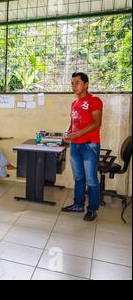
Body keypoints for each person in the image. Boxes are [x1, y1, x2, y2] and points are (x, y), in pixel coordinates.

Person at [62, 72, 103, 222]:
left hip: (89, 146)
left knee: (91, 180)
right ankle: (78, 205)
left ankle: (92, 209)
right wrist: (68, 131)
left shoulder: (94, 100)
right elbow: (73, 122)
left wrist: (77, 134)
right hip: (75, 146)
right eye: (72, 83)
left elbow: (96, 123)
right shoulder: (75, 103)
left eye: (77, 83)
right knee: (79, 178)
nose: (74, 86)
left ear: (86, 84)